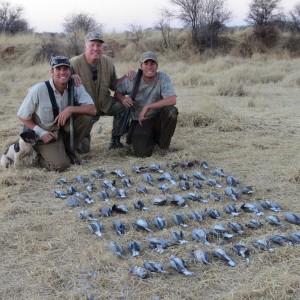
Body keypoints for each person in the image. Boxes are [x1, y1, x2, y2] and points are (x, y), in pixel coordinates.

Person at [17, 55, 97, 172]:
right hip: (45, 133)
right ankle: (39, 157)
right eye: (58, 69)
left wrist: (70, 109)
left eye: (65, 69)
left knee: (85, 117)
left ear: (70, 71)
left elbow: (92, 110)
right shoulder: (39, 89)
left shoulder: (76, 86)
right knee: (61, 166)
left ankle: (68, 152)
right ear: (52, 72)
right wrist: (41, 132)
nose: (62, 72)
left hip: (62, 129)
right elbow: (22, 115)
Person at [70, 31, 133, 152]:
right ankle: (81, 139)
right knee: (83, 150)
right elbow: (60, 84)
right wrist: (70, 79)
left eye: (99, 45)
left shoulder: (108, 62)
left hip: (105, 103)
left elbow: (114, 85)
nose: (96, 48)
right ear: (85, 47)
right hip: (86, 110)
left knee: (124, 106)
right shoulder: (73, 63)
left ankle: (115, 140)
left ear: (102, 47)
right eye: (92, 45)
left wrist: (127, 76)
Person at [114, 51, 178, 157]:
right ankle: (149, 138)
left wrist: (148, 106)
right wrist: (123, 99)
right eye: (146, 64)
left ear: (157, 66)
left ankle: (164, 146)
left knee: (171, 111)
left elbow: (172, 100)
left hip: (157, 117)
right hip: (140, 120)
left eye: (152, 64)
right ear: (141, 66)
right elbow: (117, 93)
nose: (149, 67)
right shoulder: (132, 78)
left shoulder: (163, 77)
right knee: (141, 153)